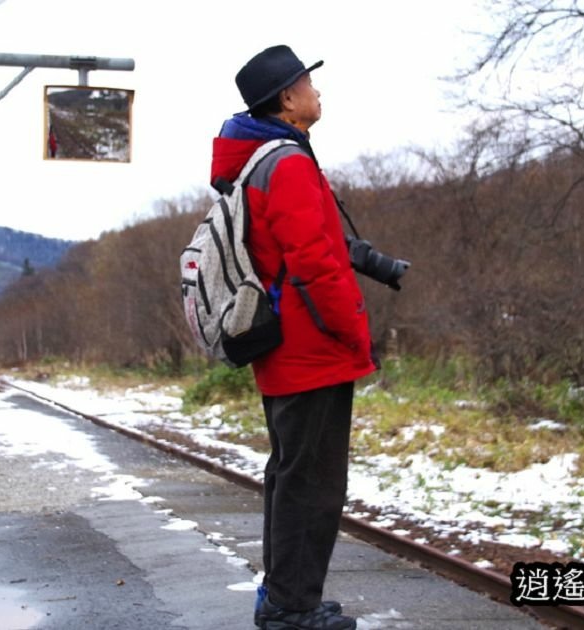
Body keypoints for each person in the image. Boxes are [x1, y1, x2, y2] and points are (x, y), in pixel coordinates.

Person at [211, 45, 377, 630]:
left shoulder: (258, 161)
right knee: (311, 485)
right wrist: (355, 335)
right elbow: (316, 264)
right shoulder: (285, 163)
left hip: (285, 347)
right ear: (287, 99)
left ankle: (285, 596)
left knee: (291, 476)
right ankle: (290, 608)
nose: (317, 91)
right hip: (312, 350)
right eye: (308, 83)